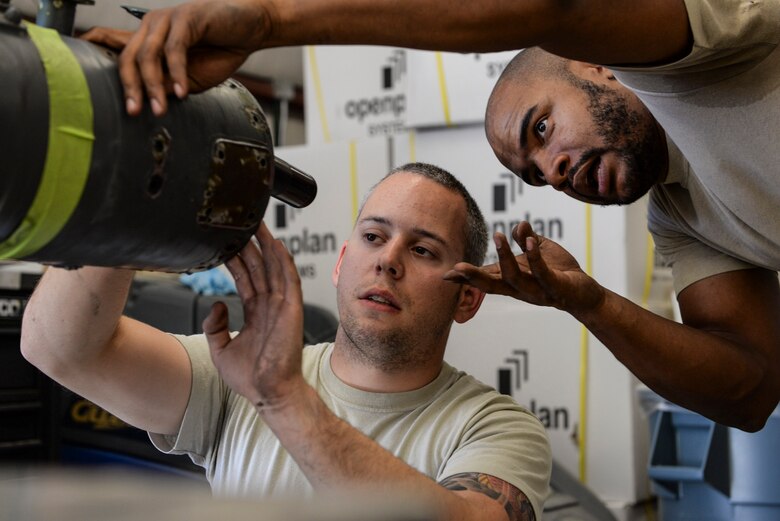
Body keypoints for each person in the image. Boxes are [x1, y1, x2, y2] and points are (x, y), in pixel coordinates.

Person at [83, 0, 780, 432]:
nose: (554, 172)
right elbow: (750, 389)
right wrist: (591, 303)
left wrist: (271, 18)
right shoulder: (686, 220)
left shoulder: (699, 46)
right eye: (535, 174)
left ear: (599, 64)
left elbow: (554, 8)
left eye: (541, 131)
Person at [21, 163, 552, 521]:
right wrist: (133, 198)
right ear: (343, 264)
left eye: (423, 251)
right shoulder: (238, 374)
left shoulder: (495, 428)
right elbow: (59, 347)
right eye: (373, 237)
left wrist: (283, 398)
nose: (387, 259)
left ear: (467, 300)